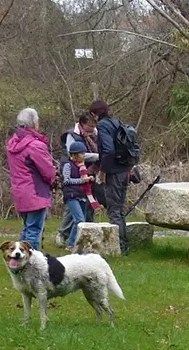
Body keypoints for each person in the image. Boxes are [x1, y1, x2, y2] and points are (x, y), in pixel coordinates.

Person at [5, 107, 57, 250]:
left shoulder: (12, 144)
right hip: (35, 192)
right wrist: (53, 179)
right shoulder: (35, 146)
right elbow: (48, 172)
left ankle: (17, 260)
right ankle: (32, 265)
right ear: (34, 123)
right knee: (34, 231)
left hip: (20, 191)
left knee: (27, 229)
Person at [94, 99, 139, 255]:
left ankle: (119, 248)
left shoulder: (102, 126)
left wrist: (102, 170)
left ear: (95, 115)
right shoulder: (116, 122)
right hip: (124, 170)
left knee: (113, 211)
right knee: (119, 210)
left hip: (113, 172)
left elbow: (109, 150)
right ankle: (125, 246)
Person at [55, 111, 102, 247]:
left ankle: (81, 238)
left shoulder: (95, 135)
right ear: (82, 124)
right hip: (74, 182)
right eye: (90, 126)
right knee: (74, 213)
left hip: (85, 173)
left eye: (94, 126)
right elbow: (74, 154)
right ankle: (64, 235)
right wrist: (98, 157)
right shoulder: (72, 135)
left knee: (84, 210)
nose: (92, 129)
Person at [60, 141, 101, 251]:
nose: (84, 156)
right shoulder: (68, 165)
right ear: (74, 155)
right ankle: (72, 244)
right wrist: (82, 180)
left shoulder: (82, 167)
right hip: (71, 195)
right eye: (82, 154)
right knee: (79, 220)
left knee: (79, 221)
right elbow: (66, 180)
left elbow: (83, 180)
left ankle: (72, 243)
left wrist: (89, 179)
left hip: (82, 195)